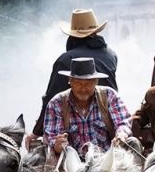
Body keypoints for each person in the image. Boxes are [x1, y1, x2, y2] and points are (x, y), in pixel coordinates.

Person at [28, 9, 118, 147]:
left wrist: (37, 132)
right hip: (110, 123)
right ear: (95, 32)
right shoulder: (111, 55)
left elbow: (52, 96)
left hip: (77, 126)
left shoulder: (66, 60)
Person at [43, 57, 131, 157]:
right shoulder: (56, 103)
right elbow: (52, 136)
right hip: (72, 163)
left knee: (133, 142)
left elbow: (123, 122)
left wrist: (121, 133)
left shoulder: (109, 96)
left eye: (88, 83)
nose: (83, 88)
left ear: (96, 81)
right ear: (70, 81)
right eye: (78, 83)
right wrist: (57, 144)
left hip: (107, 159)